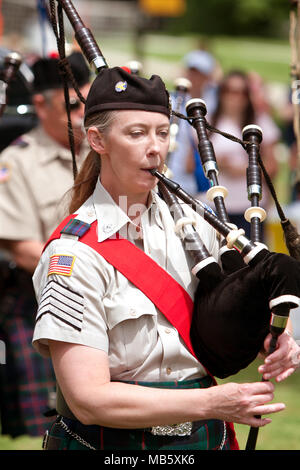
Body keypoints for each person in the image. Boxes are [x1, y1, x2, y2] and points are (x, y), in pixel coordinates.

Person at [31, 66, 300, 451]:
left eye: (162, 132)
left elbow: (234, 301)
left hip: (202, 436)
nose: (155, 147)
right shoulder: (73, 254)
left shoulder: (200, 226)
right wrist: (213, 402)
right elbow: (88, 399)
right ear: (97, 140)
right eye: (136, 133)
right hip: (109, 444)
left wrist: (276, 338)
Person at [0, 51, 91, 437]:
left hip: (121, 299)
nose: (83, 116)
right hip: (45, 304)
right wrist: (97, 273)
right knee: (57, 431)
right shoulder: (15, 163)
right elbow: (22, 249)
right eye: (72, 106)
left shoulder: (106, 152)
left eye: (87, 104)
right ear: (40, 103)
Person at [208, 70, 280, 239]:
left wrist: (243, 170)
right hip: (213, 205)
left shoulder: (260, 121)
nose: (234, 97)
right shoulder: (208, 121)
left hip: (249, 208)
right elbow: (192, 164)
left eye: (241, 92)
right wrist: (219, 164)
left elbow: (273, 167)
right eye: (229, 90)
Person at [168, 49, 218, 196]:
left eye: (199, 73)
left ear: (208, 76)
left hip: (204, 179)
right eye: (191, 71)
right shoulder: (173, 100)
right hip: (176, 174)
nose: (194, 77)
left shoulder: (216, 102)